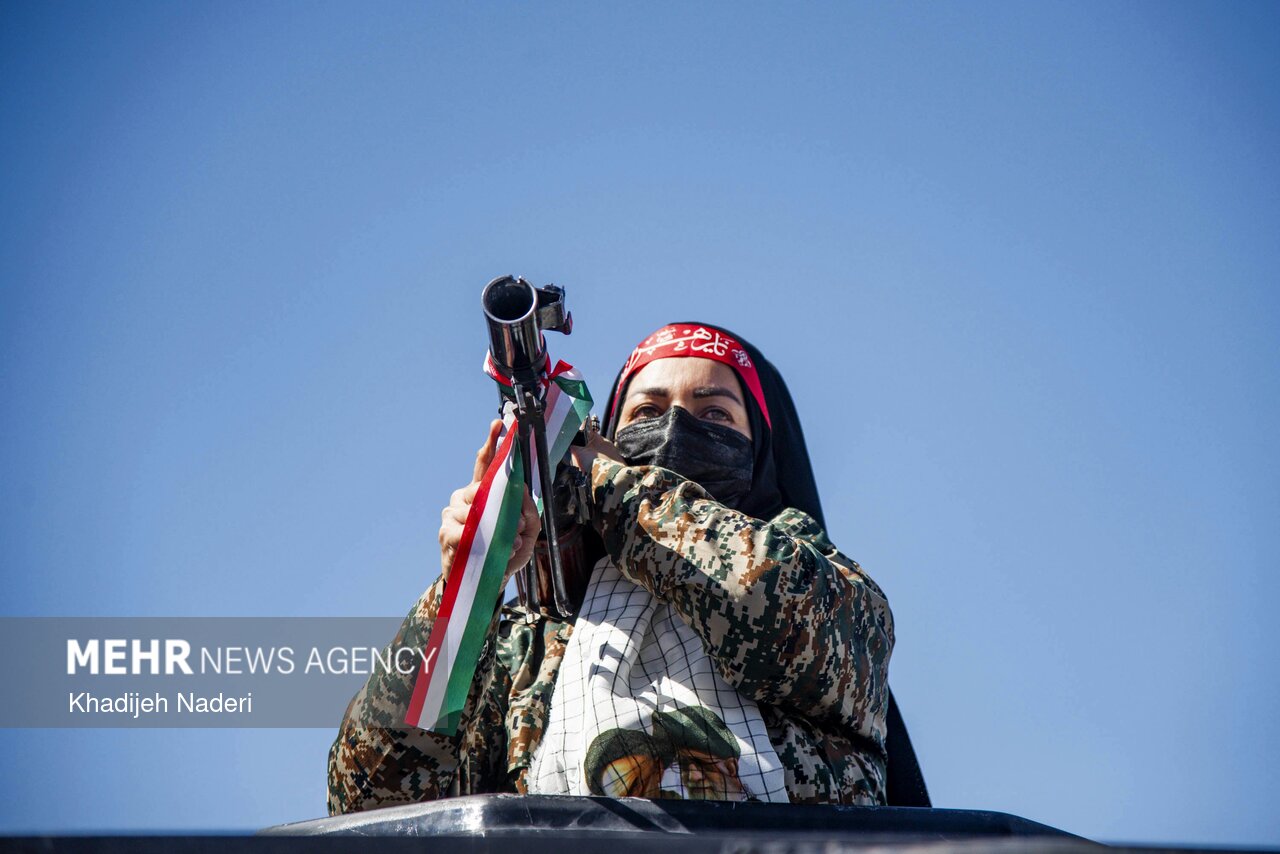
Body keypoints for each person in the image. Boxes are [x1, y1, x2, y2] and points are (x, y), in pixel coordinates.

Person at [328, 322, 919, 811]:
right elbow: (370, 795)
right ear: (610, 436)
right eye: (648, 411)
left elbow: (763, 599)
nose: (676, 425)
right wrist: (468, 586)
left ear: (762, 447)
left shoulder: (834, 590)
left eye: (715, 414)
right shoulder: (533, 641)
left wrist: (610, 487)